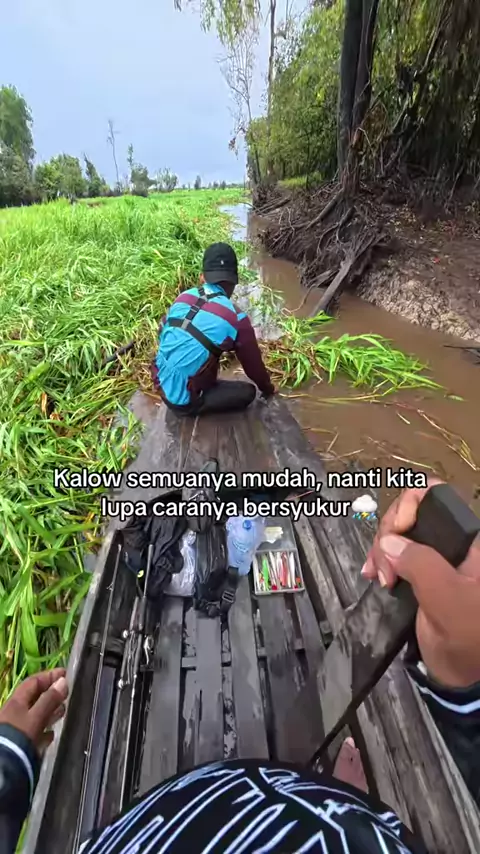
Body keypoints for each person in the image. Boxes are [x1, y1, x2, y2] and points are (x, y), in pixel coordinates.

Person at [1, 480, 479, 853]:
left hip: (178, 816)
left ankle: (326, 796)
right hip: (330, 828)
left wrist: (10, 767)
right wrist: (465, 689)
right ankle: (334, 800)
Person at [151, 242, 275, 416]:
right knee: (248, 392)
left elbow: (162, 330)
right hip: (185, 402)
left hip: (160, 382)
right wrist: (268, 388)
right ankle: (193, 402)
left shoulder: (183, 297)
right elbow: (254, 368)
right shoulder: (237, 318)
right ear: (234, 282)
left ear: (202, 277)